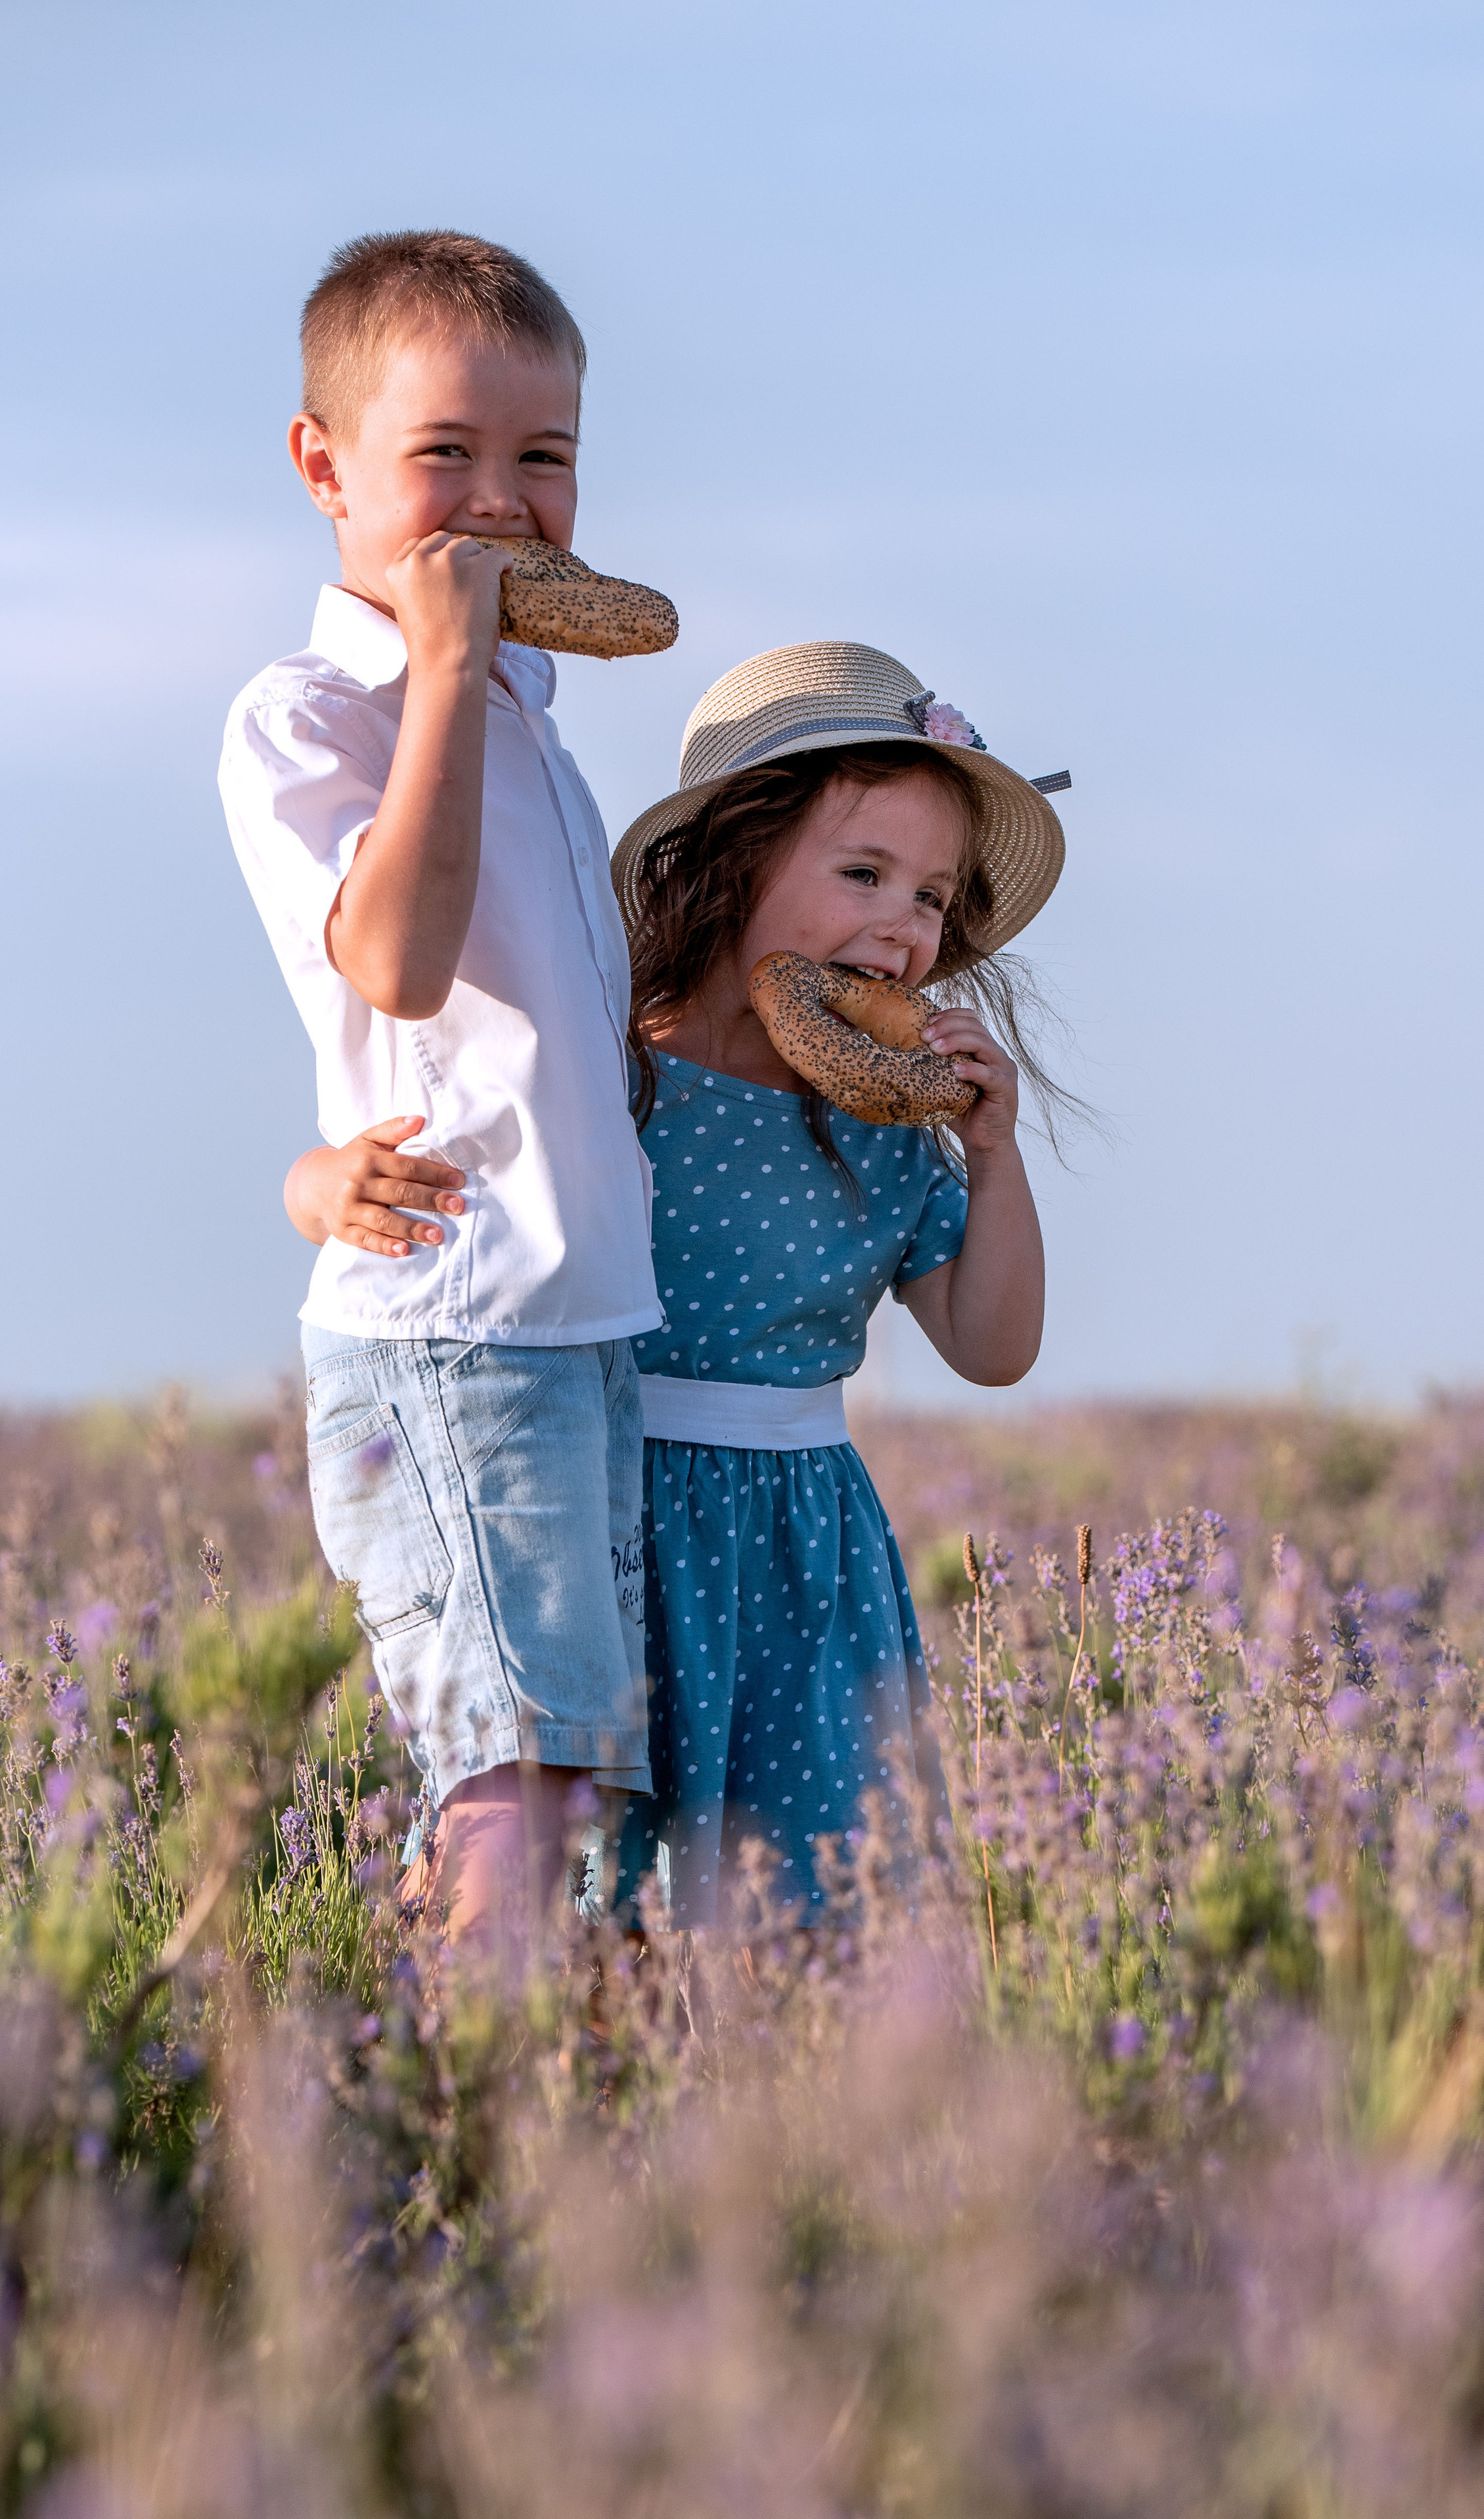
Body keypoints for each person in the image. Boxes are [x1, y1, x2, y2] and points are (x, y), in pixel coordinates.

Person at [286, 640, 1071, 1927]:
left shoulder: (886, 1131)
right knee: (597, 1886)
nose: (901, 923)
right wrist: (323, 1185)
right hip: (594, 1508)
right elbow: (402, 1161)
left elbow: (993, 1346)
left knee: (807, 1899)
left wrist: (992, 1156)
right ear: (731, 862)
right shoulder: (603, 1072)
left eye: (933, 898)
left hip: (797, 1555)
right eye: (862, 872)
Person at [219, 231, 663, 1956]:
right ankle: (472, 2133)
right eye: (446, 457)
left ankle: (507, 2097)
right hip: (453, 1334)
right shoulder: (311, 712)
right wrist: (446, 674)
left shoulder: (534, 712)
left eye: (544, 459)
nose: (502, 499)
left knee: (572, 1770)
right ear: (323, 467)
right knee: (514, 1768)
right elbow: (394, 965)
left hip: (584, 1323)